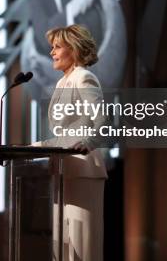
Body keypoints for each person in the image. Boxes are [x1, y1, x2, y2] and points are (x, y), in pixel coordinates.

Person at [32, 24, 107, 261]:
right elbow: (67, 133)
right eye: (51, 47)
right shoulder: (63, 82)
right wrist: (35, 148)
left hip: (83, 170)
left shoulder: (84, 77)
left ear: (73, 49)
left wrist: (88, 141)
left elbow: (102, 122)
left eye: (57, 47)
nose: (51, 52)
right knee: (62, 247)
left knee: (82, 246)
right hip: (63, 172)